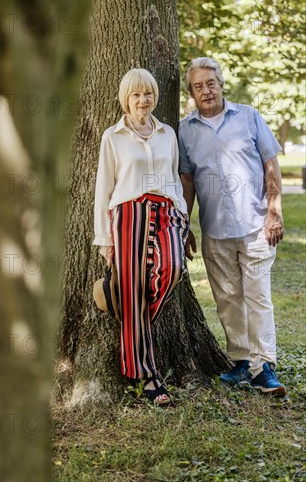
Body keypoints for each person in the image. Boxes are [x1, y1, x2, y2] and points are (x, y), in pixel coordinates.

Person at [178, 57, 286, 396]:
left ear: (221, 83)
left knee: (258, 297)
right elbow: (187, 180)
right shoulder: (185, 130)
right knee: (227, 298)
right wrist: (185, 224)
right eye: (198, 86)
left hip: (255, 225)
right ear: (191, 93)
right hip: (214, 228)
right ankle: (241, 361)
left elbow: (271, 165)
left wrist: (275, 212)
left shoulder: (250, 117)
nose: (206, 91)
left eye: (211, 83)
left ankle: (264, 366)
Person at [93, 68, 189, 405]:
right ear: (126, 99)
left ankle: (134, 324)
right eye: (136, 95)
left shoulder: (167, 133)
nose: (142, 101)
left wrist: (182, 215)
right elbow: (103, 189)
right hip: (128, 214)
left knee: (173, 268)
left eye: (147, 94)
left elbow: (174, 178)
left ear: (154, 97)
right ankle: (148, 377)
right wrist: (105, 239)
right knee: (131, 290)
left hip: (166, 211)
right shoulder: (113, 136)